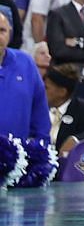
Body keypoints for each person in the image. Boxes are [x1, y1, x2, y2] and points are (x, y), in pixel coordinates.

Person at [0, 10, 50, 149]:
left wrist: (41, 152)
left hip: (16, 164)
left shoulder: (26, 63)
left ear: (10, 33)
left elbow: (40, 119)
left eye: (2, 30)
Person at [45, 63, 84, 154]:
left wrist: (76, 140)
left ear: (62, 92)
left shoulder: (82, 109)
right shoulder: (37, 108)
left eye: (46, 88)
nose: (41, 91)